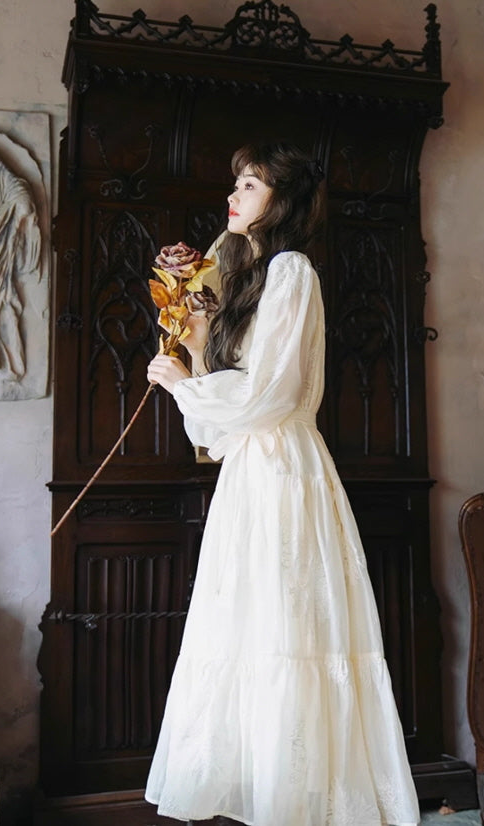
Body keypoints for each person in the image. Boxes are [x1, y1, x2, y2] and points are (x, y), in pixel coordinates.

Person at [145, 142, 420, 826]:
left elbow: (271, 394)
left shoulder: (293, 270)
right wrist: (196, 328)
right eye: (233, 183)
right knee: (249, 631)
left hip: (284, 469)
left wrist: (186, 388)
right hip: (250, 474)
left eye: (249, 184)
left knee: (288, 630)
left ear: (284, 201)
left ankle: (299, 807)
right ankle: (265, 801)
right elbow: (221, 429)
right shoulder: (250, 277)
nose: (233, 197)